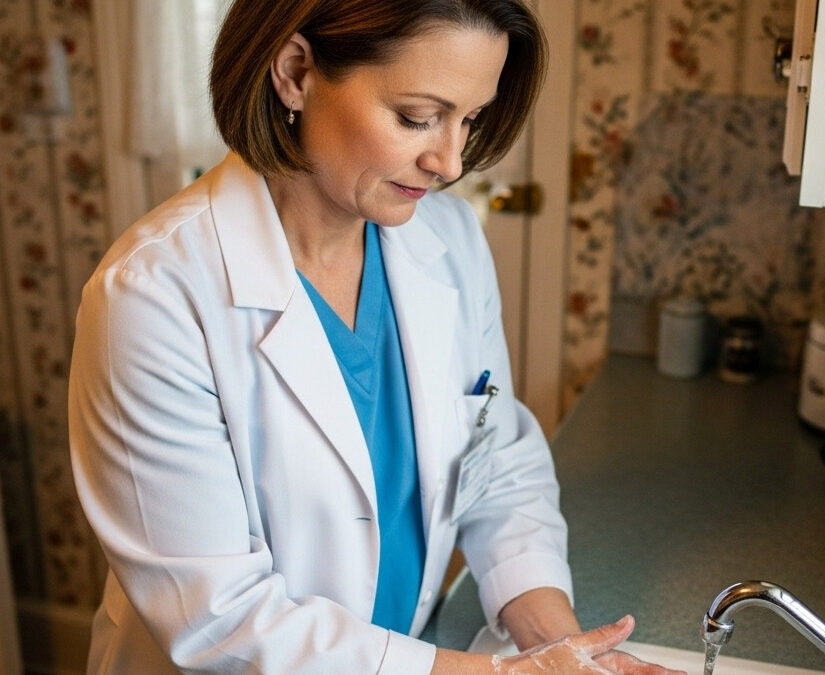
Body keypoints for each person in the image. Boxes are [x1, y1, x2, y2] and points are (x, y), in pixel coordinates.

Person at [68, 1, 686, 673]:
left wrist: (559, 646)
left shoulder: (446, 240)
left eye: (469, 119)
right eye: (417, 117)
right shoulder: (153, 294)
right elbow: (218, 618)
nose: (449, 161)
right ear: (296, 72)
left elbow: (496, 459)